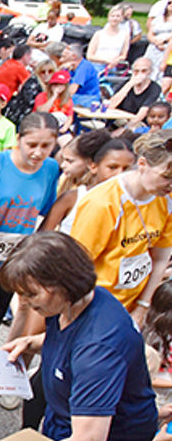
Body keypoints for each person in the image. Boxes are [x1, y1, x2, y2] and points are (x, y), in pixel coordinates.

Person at [0, 232, 158, 441]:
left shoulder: (99, 348)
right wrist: (32, 342)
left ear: (64, 283)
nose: (24, 302)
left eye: (31, 294)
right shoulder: (66, 303)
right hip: (65, 415)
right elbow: (68, 340)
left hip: (107, 439)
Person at [0, 112, 60, 339]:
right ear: (18, 139)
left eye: (46, 146)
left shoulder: (50, 169)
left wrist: (32, 255)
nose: (38, 152)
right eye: (31, 144)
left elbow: (47, 214)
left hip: (13, 262)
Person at [69, 131, 172, 321]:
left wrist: (142, 307)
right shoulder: (103, 202)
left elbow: (160, 258)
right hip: (92, 306)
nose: (170, 185)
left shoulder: (166, 200)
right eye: (166, 176)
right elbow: (77, 266)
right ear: (142, 164)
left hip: (130, 305)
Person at [107, 57, 163, 132]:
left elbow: (141, 115)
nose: (140, 74)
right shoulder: (125, 83)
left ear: (150, 72)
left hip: (138, 123)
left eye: (144, 71)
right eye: (136, 71)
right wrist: (129, 85)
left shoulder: (154, 88)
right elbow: (110, 106)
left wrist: (124, 128)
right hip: (119, 119)